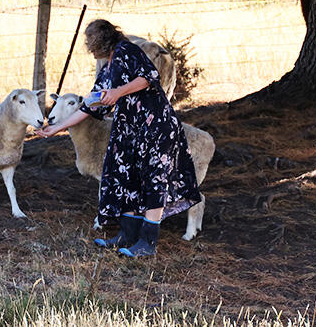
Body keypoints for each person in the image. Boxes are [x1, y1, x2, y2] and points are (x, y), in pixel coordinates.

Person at [36, 19, 201, 257]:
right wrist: (56, 128)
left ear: (102, 40)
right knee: (127, 177)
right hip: (130, 129)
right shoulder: (108, 67)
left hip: (154, 126)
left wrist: (117, 92)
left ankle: (147, 242)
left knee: (153, 180)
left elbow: (149, 76)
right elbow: (90, 106)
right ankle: (127, 234)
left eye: (90, 41)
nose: (88, 46)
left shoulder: (127, 51)